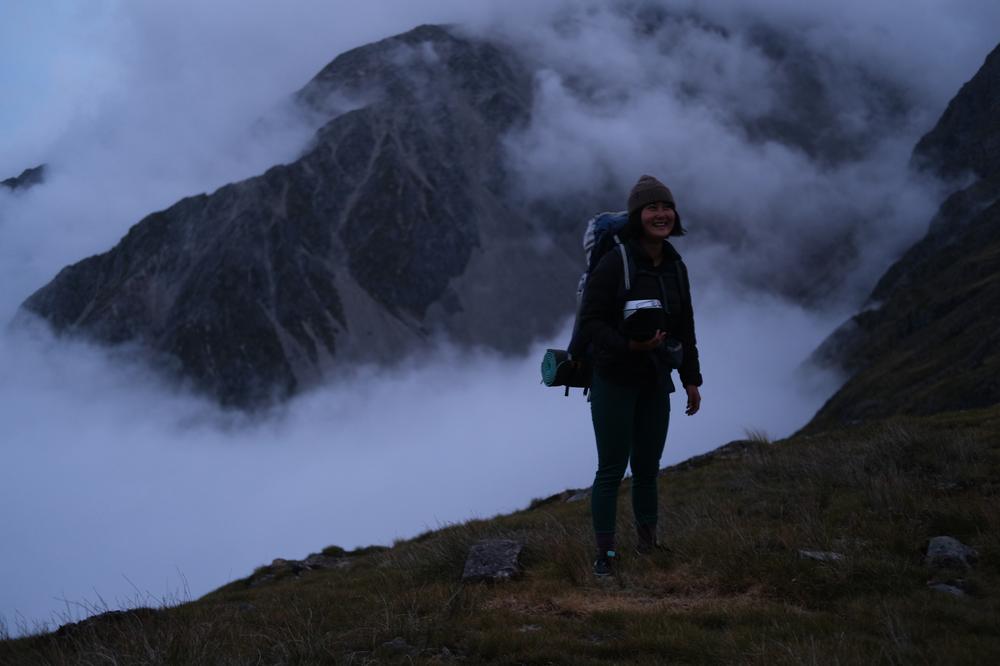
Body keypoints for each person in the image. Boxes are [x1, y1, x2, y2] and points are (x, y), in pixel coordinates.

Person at [576, 174, 703, 577]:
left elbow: (685, 325)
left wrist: (691, 378)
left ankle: (648, 547)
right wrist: (630, 347)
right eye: (652, 208)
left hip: (655, 378)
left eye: (666, 207)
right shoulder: (617, 262)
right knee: (611, 468)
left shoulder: (675, 266)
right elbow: (591, 321)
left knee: (648, 466)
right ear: (637, 216)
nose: (661, 214)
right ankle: (606, 555)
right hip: (614, 376)